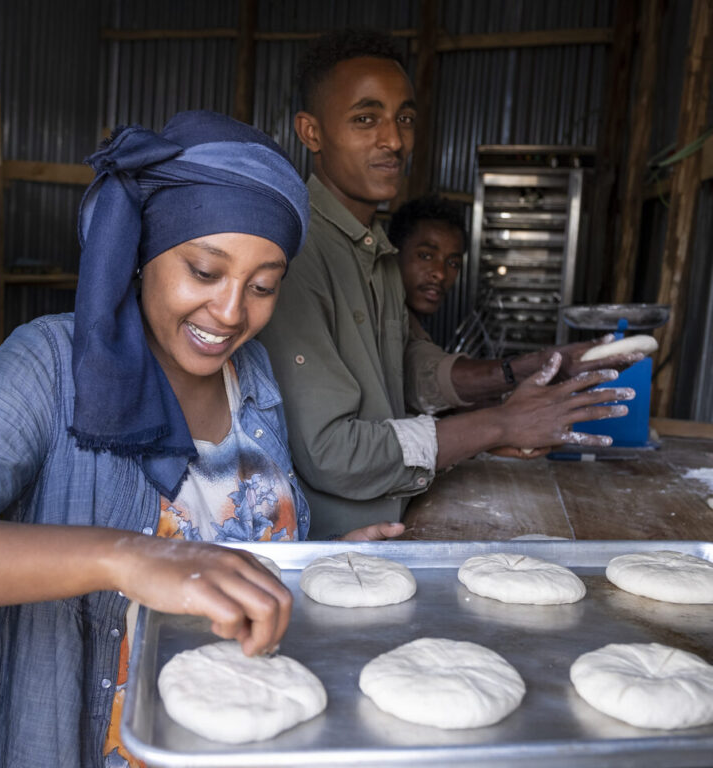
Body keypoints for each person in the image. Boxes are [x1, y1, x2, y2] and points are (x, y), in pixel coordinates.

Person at [0, 111, 397, 768]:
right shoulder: (49, 366)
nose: (232, 313)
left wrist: (314, 569)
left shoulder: (256, 380)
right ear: (143, 251)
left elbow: (236, 558)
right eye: (205, 271)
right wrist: (126, 558)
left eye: (264, 285)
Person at [258, 29, 638, 539]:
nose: (394, 140)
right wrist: (498, 425)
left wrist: (525, 369)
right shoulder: (295, 254)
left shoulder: (376, 247)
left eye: (405, 119)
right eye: (365, 119)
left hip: (391, 525)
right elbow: (330, 453)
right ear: (311, 132)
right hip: (330, 551)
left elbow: (409, 369)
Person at [389, 193, 625, 411]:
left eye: (453, 263)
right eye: (426, 256)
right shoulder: (379, 319)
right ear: (392, 253)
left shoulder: (413, 326)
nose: (440, 274)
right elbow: (421, 380)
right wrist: (526, 368)